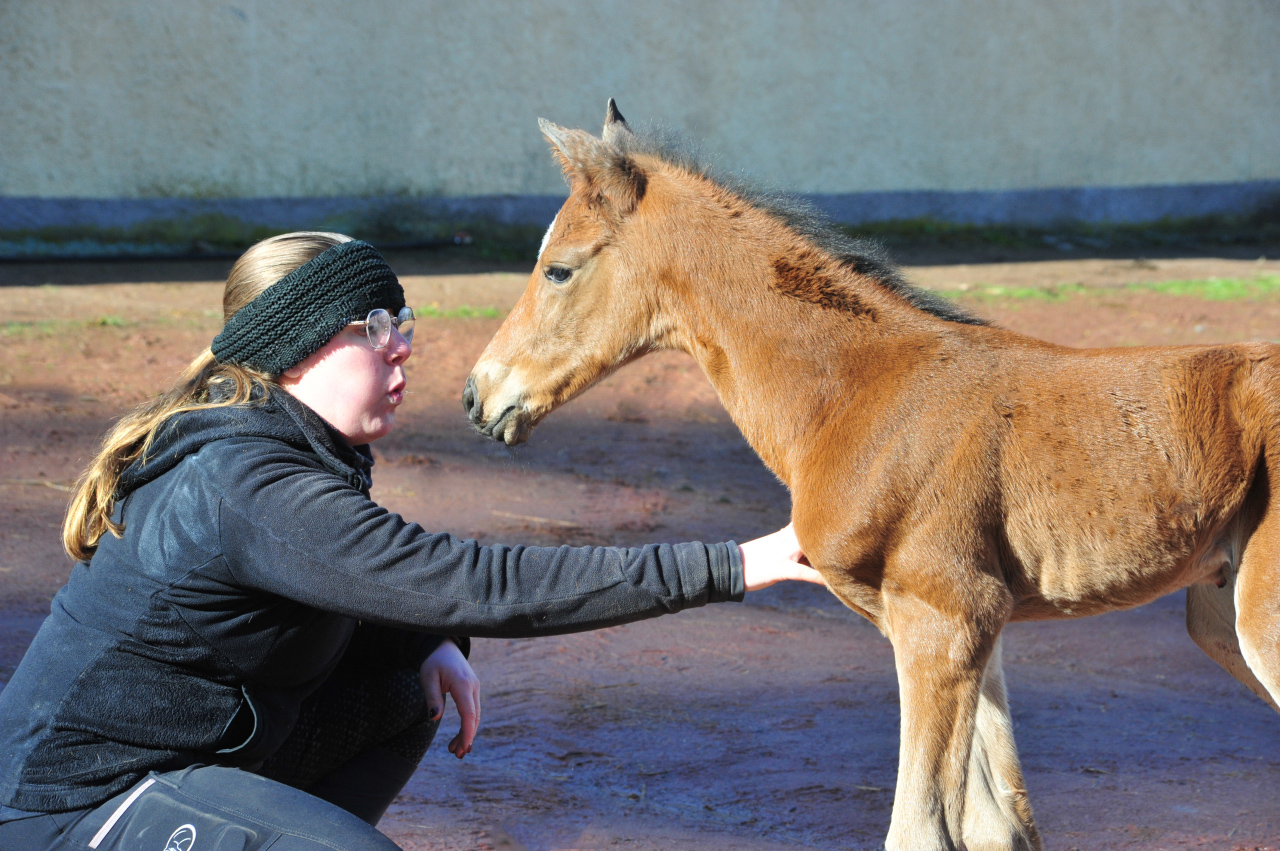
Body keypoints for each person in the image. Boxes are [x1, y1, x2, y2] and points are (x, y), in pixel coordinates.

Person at [0, 233, 822, 850]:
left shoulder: (288, 446)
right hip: (70, 808)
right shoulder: (247, 482)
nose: (403, 343)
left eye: (405, 320)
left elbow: (395, 588)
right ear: (297, 343)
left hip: (183, 759)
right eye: (374, 323)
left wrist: (423, 637)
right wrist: (737, 563)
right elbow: (478, 581)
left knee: (404, 680)